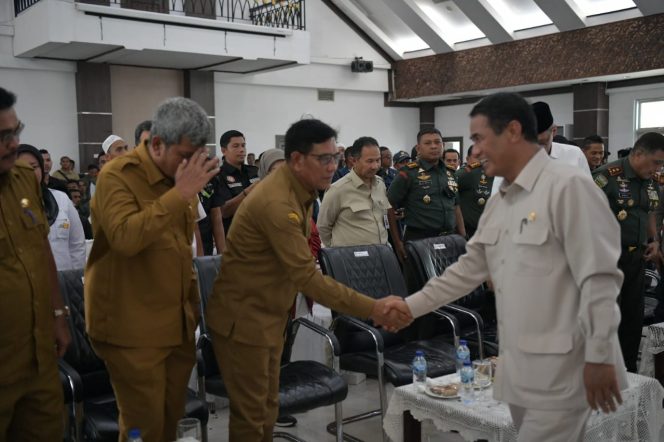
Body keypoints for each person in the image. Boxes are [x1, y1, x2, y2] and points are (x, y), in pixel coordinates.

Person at [387, 92, 627, 441]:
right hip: (518, 361)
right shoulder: (503, 198)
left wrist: (601, 356)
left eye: (480, 138)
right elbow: (469, 267)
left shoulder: (569, 187)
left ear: (513, 131)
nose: (476, 150)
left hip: (565, 365)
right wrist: (410, 306)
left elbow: (600, 279)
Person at [205, 118, 412, 442]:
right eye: (324, 159)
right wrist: (373, 307)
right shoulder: (278, 202)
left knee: (265, 410)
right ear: (298, 160)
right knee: (251, 417)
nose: (332, 166)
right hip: (243, 321)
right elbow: (307, 277)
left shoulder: (298, 190)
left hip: (268, 314)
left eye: (335, 158)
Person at [85, 97, 220, 442]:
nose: (190, 165)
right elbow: (126, 238)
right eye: (184, 157)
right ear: (157, 143)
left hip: (175, 324)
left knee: (168, 419)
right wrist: (181, 192)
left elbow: (180, 250)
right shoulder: (118, 176)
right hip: (129, 327)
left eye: (196, 157)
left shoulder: (179, 176)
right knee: (140, 426)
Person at [0, 86, 71, 441]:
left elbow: (41, 250)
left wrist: (59, 316)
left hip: (39, 355)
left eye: (15, 131)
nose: (13, 144)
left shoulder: (24, 181)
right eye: (2, 136)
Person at [592, 132, 664, 372]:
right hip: (607, 260)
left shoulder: (650, 181)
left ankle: (629, 375)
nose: (658, 169)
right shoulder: (606, 177)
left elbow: (650, 211)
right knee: (606, 319)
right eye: (656, 162)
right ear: (639, 154)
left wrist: (654, 240)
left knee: (632, 319)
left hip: (637, 258)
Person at [387, 127, 465, 264]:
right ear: (418, 148)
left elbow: (455, 206)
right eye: (428, 143)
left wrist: (463, 237)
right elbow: (389, 206)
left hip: (449, 239)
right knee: (421, 283)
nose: (434, 146)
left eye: (437, 142)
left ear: (443, 145)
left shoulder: (450, 173)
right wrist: (397, 242)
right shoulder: (408, 173)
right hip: (419, 240)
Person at [490, 101, 590, 194]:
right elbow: (497, 202)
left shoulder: (574, 155)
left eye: (542, 143)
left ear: (554, 131)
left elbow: (588, 193)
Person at [16, 144, 86, 271]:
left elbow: (77, 244)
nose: (29, 172)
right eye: (22, 168)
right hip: (26, 284)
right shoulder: (7, 205)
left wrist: (75, 275)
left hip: (64, 280)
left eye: (34, 167)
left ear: (41, 169)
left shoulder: (61, 199)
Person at [317, 136, 390, 247]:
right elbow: (323, 227)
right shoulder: (338, 189)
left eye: (378, 160)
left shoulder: (380, 184)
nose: (375, 166)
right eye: (369, 161)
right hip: (352, 259)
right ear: (354, 160)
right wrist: (338, 251)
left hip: (381, 255)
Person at [217, 130, 259, 233]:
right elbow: (224, 211)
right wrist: (248, 192)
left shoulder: (255, 171)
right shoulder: (218, 176)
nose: (242, 150)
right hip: (234, 236)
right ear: (224, 150)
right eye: (236, 146)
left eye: (243, 145)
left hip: (259, 234)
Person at [455, 145, 494, 238]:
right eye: (477, 157)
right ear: (468, 159)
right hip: (470, 231)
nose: (482, 160)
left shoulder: (495, 173)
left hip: (491, 231)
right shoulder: (469, 173)